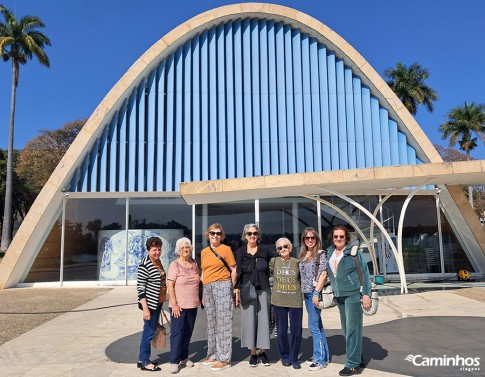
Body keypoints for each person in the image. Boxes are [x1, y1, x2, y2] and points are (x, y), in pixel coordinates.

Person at [314, 226, 371, 376]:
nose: (338, 239)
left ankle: (352, 365)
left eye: (341, 236)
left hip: (352, 295)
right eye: (335, 236)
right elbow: (327, 272)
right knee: (347, 330)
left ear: (346, 238)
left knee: (353, 329)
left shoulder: (353, 252)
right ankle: (358, 358)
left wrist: (366, 294)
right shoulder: (331, 252)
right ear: (332, 238)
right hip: (339, 295)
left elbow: (364, 273)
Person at [234, 223, 272, 367]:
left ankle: (262, 352)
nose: (252, 236)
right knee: (249, 321)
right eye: (249, 234)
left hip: (263, 288)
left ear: (258, 236)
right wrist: (236, 289)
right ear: (245, 236)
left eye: (255, 233)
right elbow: (238, 272)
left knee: (263, 320)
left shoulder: (265, 250)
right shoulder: (240, 252)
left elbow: (272, 267)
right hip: (246, 289)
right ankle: (253, 353)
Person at [200, 223, 237, 371]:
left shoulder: (226, 249)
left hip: (222, 285)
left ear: (222, 236)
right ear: (208, 235)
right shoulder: (203, 252)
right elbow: (203, 273)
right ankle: (213, 353)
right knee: (211, 322)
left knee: (223, 322)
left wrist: (231, 287)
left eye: (218, 233)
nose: (215, 236)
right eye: (212, 233)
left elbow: (234, 269)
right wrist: (203, 293)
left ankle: (224, 358)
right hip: (208, 287)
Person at [298, 227, 331, 371]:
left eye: (313, 237)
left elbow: (323, 274)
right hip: (306, 293)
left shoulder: (320, 254)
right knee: (318, 325)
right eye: (307, 238)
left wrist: (316, 293)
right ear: (303, 240)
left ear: (317, 239)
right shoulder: (304, 255)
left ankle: (320, 360)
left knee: (313, 326)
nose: (310, 240)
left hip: (314, 293)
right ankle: (323, 356)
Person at [166, 237, 200, 374]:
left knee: (187, 333)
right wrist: (174, 303)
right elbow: (170, 285)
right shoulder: (174, 265)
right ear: (178, 251)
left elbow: (199, 281)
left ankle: (184, 358)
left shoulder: (194, 263)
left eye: (188, 247)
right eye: (183, 248)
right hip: (178, 305)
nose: (186, 249)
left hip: (192, 304)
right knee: (177, 333)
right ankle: (174, 360)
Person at [269, 237, 303, 369]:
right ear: (277, 250)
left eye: (285, 246)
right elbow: (268, 274)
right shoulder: (273, 261)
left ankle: (294, 357)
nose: (283, 249)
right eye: (280, 248)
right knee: (282, 331)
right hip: (279, 301)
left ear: (290, 247)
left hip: (295, 301)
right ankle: (285, 356)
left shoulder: (297, 262)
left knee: (297, 331)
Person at [136, 236, 167, 372]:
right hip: (150, 304)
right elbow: (140, 288)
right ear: (148, 250)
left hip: (158, 302)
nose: (157, 252)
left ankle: (141, 358)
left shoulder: (158, 262)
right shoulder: (144, 264)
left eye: (159, 249)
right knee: (148, 333)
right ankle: (145, 362)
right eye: (154, 250)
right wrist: (145, 309)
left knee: (148, 331)